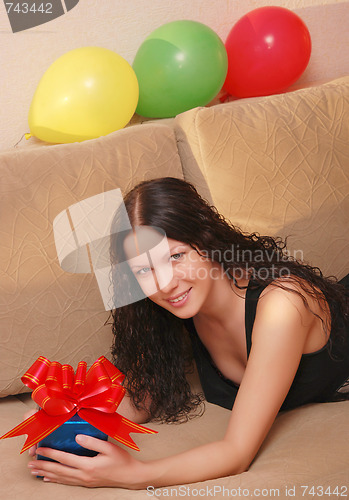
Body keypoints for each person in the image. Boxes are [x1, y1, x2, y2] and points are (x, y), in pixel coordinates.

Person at [28, 177, 349, 488]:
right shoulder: (175, 307)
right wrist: (65, 421)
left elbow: (237, 453)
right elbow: (141, 398)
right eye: (144, 269)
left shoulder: (282, 305)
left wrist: (133, 475)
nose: (165, 283)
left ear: (207, 240)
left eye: (176, 256)